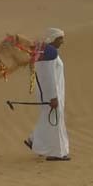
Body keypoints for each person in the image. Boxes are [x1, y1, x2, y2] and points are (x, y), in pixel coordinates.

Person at [24, 27, 70, 161]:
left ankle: (34, 140)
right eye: (60, 39)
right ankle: (56, 152)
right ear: (53, 39)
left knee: (48, 118)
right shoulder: (49, 53)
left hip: (52, 93)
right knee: (54, 120)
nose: (62, 41)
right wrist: (53, 97)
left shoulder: (47, 52)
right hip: (51, 94)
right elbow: (49, 77)